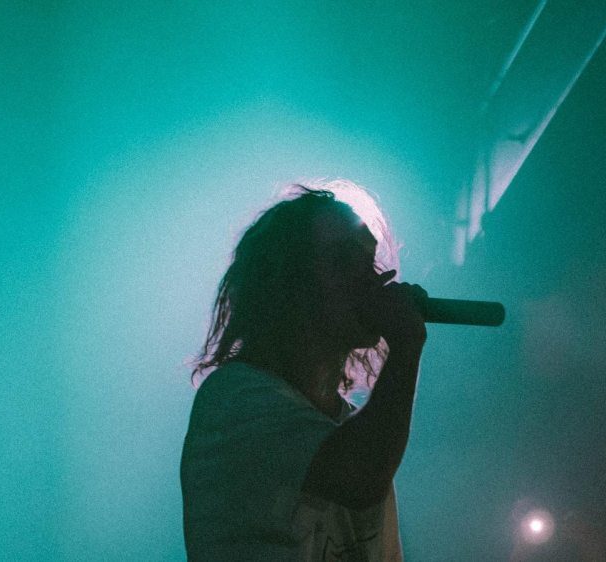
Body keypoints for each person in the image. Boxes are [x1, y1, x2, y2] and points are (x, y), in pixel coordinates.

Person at [180, 181, 427, 561]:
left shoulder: (347, 425)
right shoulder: (233, 400)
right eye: (344, 260)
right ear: (286, 284)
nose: (371, 279)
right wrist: (406, 345)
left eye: (369, 260)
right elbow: (359, 477)